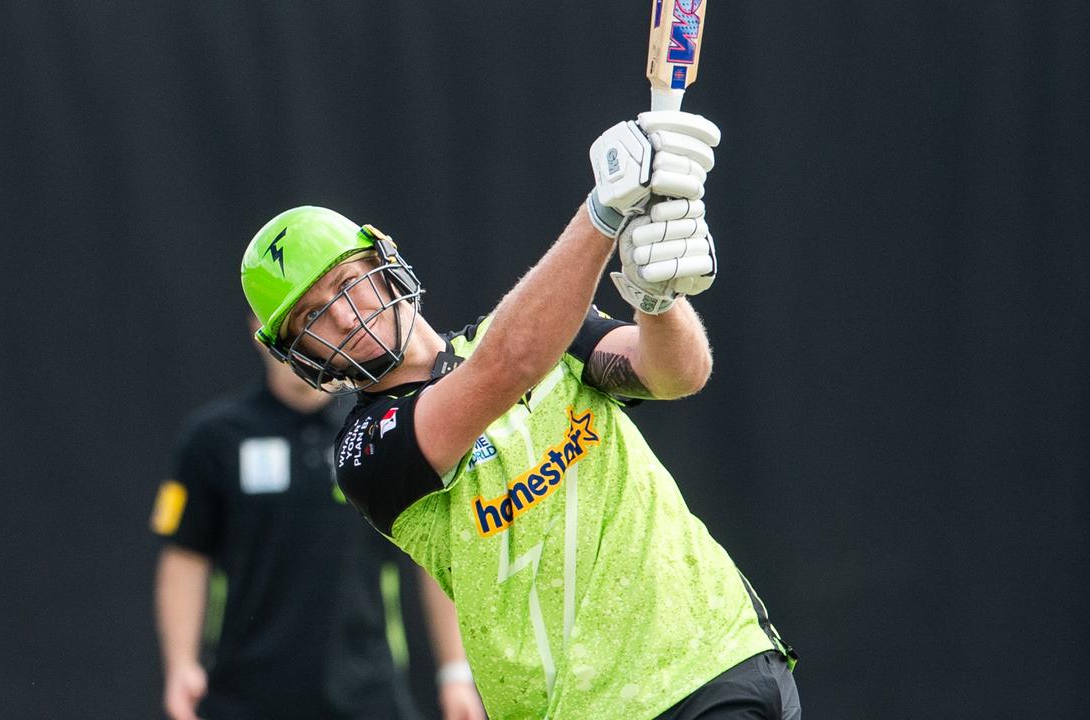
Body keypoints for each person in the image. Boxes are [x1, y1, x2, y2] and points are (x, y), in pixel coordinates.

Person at [238, 109, 800, 720]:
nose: (345, 315)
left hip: (716, 655)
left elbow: (677, 374)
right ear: (301, 355)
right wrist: (603, 213)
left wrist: (657, 299)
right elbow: (505, 367)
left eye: (347, 282)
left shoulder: (552, 331)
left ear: (385, 262)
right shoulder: (366, 452)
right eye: (314, 317)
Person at [150, 318, 486, 720]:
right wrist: (181, 665)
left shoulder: (381, 429)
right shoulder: (214, 437)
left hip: (369, 695)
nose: (302, 340)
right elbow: (185, 557)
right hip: (245, 698)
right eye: (285, 320)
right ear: (258, 328)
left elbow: (431, 555)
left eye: (313, 316)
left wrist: (454, 671)